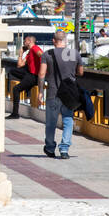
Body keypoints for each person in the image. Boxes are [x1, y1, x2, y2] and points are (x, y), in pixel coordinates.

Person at [39, 29, 83, 159]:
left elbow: (42, 74)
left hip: (53, 92)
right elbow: (80, 72)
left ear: (54, 41)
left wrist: (40, 91)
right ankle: (64, 149)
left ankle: (50, 148)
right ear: (65, 41)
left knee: (51, 122)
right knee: (68, 120)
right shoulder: (75, 54)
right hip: (69, 94)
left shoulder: (47, 54)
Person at [6, 34, 43, 119]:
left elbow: (42, 55)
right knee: (12, 71)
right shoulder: (30, 52)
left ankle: (15, 114)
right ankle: (27, 86)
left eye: (25, 41)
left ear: (29, 41)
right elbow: (20, 65)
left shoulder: (34, 48)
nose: (23, 43)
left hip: (34, 76)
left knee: (16, 89)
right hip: (29, 75)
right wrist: (21, 53)